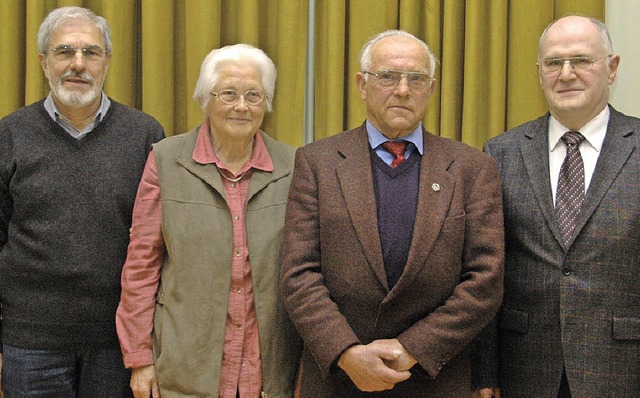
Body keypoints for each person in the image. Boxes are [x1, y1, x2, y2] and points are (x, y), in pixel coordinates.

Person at [279, 30, 504, 397]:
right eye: (388, 76)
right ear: (362, 85)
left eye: (416, 79)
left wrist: (413, 349)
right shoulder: (316, 162)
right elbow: (298, 273)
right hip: (338, 379)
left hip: (435, 378)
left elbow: (484, 280)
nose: (402, 90)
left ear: (431, 89)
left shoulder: (471, 168)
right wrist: (348, 353)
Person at [116, 43, 302, 397]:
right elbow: (142, 265)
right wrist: (140, 358)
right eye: (228, 93)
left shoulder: (294, 166)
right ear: (205, 99)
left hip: (270, 371)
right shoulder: (166, 160)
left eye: (254, 95)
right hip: (186, 365)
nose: (242, 106)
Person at [0, 6, 164, 397]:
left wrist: (146, 344)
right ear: (43, 62)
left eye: (91, 52)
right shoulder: (9, 134)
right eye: (64, 52)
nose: (78, 64)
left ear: (107, 61)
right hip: (29, 341)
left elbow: (159, 245)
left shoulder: (145, 134)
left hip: (117, 341)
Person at [473, 15, 640, 397]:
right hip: (525, 368)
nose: (566, 74)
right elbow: (485, 271)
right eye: (553, 63)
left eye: (581, 60)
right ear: (539, 71)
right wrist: (484, 372)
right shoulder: (501, 153)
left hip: (622, 367)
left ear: (611, 68)